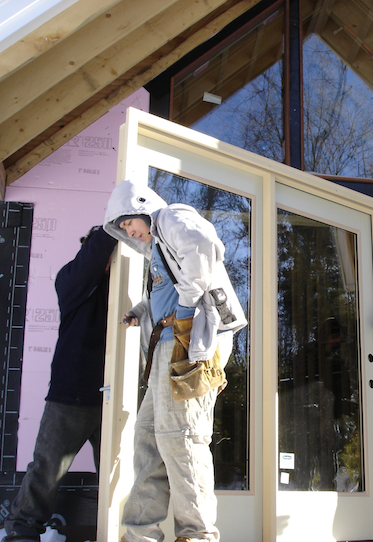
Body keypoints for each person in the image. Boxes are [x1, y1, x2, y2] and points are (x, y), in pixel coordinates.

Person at [103, 180, 247, 542]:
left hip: (189, 346)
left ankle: (197, 535)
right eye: (123, 229)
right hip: (168, 348)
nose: (128, 232)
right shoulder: (158, 250)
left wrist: (184, 311)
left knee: (181, 439)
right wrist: (142, 311)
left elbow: (204, 246)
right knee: (149, 440)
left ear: (141, 206)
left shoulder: (170, 216)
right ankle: (140, 534)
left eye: (128, 223)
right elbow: (167, 288)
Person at [3, 225, 117, 542]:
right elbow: (91, 259)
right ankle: (22, 532)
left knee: (117, 474)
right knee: (47, 468)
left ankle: (119, 531)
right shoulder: (72, 280)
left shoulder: (126, 287)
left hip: (116, 398)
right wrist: (114, 227)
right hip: (72, 395)